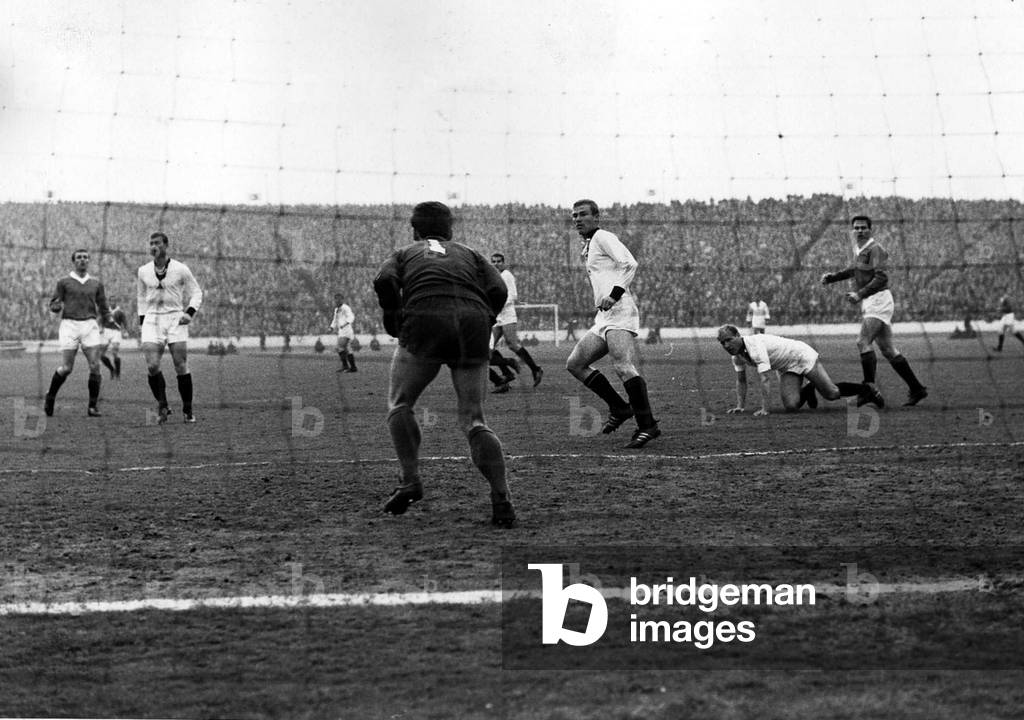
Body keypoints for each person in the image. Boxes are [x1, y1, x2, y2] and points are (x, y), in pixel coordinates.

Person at [372, 201, 516, 527]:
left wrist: (394, 319)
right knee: (474, 420)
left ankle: (410, 481)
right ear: (450, 229)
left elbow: (383, 280)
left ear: (415, 229)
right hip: (473, 322)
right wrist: (485, 318)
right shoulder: (470, 252)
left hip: (425, 318)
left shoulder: (405, 251)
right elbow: (498, 288)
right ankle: (502, 498)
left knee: (400, 404)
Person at [566, 199, 660, 448]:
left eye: (582, 214)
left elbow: (630, 263)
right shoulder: (588, 246)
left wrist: (614, 294)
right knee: (575, 364)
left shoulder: (603, 236)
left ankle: (647, 425)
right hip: (604, 317)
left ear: (596, 218)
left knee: (622, 366)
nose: (577, 219)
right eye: (574, 215)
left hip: (620, 311)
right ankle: (619, 407)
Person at [822, 215, 928, 407]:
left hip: (878, 299)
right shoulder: (859, 249)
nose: (860, 231)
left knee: (862, 342)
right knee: (888, 349)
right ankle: (917, 388)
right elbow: (854, 270)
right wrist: (833, 278)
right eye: (856, 228)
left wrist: (859, 294)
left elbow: (881, 277)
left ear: (870, 229)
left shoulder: (875, 249)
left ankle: (868, 389)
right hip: (872, 301)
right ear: (853, 230)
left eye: (863, 227)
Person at [717, 325, 873, 414]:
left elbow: (765, 378)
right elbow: (741, 381)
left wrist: (765, 409)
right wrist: (740, 406)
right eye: (722, 343)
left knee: (831, 394)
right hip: (786, 366)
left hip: (800, 355)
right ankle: (810, 388)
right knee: (791, 406)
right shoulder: (737, 356)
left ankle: (868, 390)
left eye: (729, 340)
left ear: (738, 335)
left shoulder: (755, 346)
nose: (726, 346)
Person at [137, 231, 204, 424]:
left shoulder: (181, 269)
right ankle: (163, 405)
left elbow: (197, 292)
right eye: (151, 243)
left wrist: (189, 313)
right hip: (152, 319)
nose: (153, 246)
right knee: (151, 366)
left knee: (180, 365)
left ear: (166, 246)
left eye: (157, 243)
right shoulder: (143, 271)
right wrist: (143, 323)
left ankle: (188, 409)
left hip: (175, 317)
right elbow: (141, 298)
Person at [43, 249, 113, 417]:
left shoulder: (96, 283)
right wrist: (55, 306)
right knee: (67, 368)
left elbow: (103, 305)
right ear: (74, 261)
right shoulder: (63, 282)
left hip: (89, 325)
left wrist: (109, 318)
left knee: (95, 366)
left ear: (89, 261)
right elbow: (54, 303)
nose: (82, 260)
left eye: (85, 257)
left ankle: (92, 407)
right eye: (79, 257)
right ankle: (50, 396)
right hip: (70, 325)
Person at [489, 253, 543, 390]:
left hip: (506, 314)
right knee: (488, 348)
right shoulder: (492, 276)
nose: (496, 264)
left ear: (503, 262)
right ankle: (506, 374)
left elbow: (513, 295)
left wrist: (498, 304)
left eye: (498, 261)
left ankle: (535, 369)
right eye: (493, 261)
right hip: (496, 316)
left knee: (512, 344)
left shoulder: (507, 275)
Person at [330, 293, 357, 372]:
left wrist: (344, 324)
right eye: (336, 299)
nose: (337, 300)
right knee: (346, 349)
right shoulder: (336, 309)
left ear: (342, 299)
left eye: (339, 299)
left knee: (340, 347)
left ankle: (346, 366)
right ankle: (352, 367)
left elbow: (351, 317)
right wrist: (331, 327)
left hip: (346, 331)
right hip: (341, 332)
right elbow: (335, 320)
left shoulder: (345, 308)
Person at [100, 303, 128, 379]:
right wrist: (101, 328)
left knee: (114, 351)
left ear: (116, 302)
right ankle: (112, 369)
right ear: (109, 301)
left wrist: (125, 330)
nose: (112, 302)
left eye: (114, 300)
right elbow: (102, 319)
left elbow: (124, 321)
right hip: (106, 331)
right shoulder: (106, 311)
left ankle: (118, 374)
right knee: (101, 355)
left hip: (116, 331)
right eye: (111, 300)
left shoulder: (119, 312)